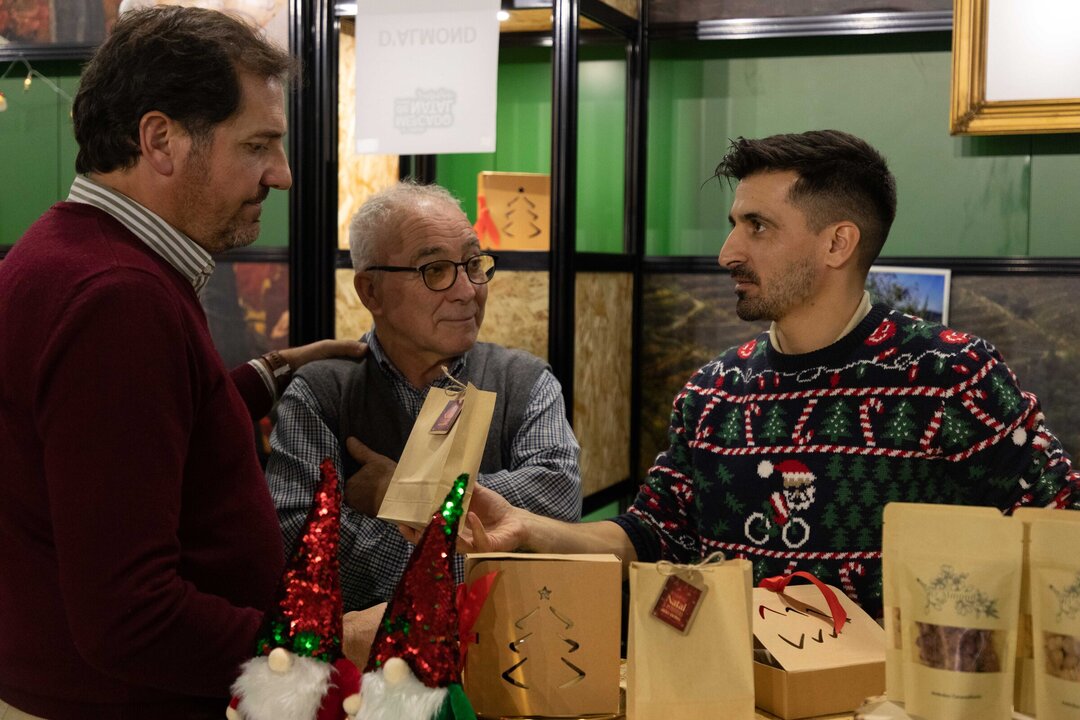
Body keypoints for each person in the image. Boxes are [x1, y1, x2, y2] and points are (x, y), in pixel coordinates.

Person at [453, 129, 1079, 618]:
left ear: (837, 244)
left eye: (757, 226)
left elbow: (1059, 526)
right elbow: (651, 536)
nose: (727, 252)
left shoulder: (950, 377)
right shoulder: (713, 393)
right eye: (734, 225)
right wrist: (527, 528)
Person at [0, 7, 363, 719]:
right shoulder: (118, 300)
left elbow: (144, 433)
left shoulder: (67, 254)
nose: (282, 174)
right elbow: (131, 617)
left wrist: (278, 369)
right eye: (257, 145)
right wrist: (320, 654)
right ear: (161, 140)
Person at [265, 182, 582, 637]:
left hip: (504, 654)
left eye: (473, 264)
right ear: (370, 291)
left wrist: (397, 493)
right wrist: (468, 554)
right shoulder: (321, 393)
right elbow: (300, 543)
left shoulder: (524, 380)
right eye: (435, 270)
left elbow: (558, 500)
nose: (467, 291)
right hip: (365, 665)